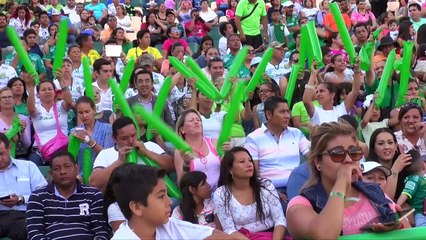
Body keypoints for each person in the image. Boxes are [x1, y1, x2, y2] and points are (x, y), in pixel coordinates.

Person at [286, 122, 410, 238]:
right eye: (338, 154)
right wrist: (341, 183)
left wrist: (394, 230)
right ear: (318, 162)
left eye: (354, 152)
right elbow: (324, 236)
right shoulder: (301, 204)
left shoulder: (374, 192)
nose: (349, 160)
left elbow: (408, 231)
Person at [110, 164, 232, 239]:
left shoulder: (169, 226)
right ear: (136, 207)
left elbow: (217, 236)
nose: (169, 202)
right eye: (161, 196)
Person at [26, 151, 111, 240]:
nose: (62, 172)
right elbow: (34, 234)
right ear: (51, 173)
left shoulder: (93, 195)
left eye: (67, 166)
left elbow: (102, 232)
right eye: (57, 168)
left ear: (77, 168)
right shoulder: (38, 197)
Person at [213, 147, 286, 239]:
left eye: (250, 160)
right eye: (242, 162)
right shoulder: (221, 194)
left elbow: (280, 220)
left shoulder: (266, 185)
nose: (249, 164)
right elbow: (229, 229)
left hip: (272, 235)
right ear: (230, 169)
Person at [245, 96, 310, 197]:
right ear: (269, 114)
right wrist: (272, 193)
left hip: (298, 186)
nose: (287, 116)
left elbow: (313, 158)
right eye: (282, 112)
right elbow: (253, 174)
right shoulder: (253, 138)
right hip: (269, 190)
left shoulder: (296, 133)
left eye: (288, 111)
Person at [90, 116, 174, 190]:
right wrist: (119, 161)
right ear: (114, 139)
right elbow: (95, 182)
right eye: (124, 138)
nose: (130, 141)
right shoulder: (105, 154)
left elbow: (172, 165)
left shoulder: (150, 146)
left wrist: (147, 153)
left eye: (133, 135)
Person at [0, 133, 47, 240]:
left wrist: (21, 199)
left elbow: (43, 195)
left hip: (25, 215)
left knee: (30, 228)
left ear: (9, 148)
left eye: (1, 154)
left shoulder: (28, 167)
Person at [174, 109, 224, 191]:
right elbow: (181, 185)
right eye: (191, 120)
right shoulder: (180, 151)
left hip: (220, 194)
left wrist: (228, 153)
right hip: (198, 199)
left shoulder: (214, 142)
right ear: (182, 129)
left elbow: (228, 168)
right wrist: (186, 164)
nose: (196, 122)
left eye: (198, 120)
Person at [303, 60, 361, 126]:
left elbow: (354, 91)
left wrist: (357, 69)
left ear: (332, 94)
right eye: (317, 92)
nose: (318, 94)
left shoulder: (341, 109)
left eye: (322, 91)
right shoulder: (316, 112)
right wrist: (313, 74)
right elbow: (306, 101)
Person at [71, 96, 114, 172]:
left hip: (102, 174)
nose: (84, 116)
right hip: (80, 176)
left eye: (87, 111)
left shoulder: (107, 128)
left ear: (94, 110)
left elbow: (108, 156)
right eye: (80, 113)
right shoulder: (74, 132)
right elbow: (72, 158)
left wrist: (90, 142)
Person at [396, 150, 426, 227]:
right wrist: (398, 205)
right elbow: (406, 192)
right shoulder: (413, 179)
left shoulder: (422, 179)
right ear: (423, 165)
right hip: (421, 215)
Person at [0, 87, 31, 157]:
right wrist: (3, 137)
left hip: (19, 156)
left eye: (10, 97)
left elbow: (27, 144)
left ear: (14, 100)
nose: (7, 99)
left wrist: (22, 132)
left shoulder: (24, 118)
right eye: (4, 97)